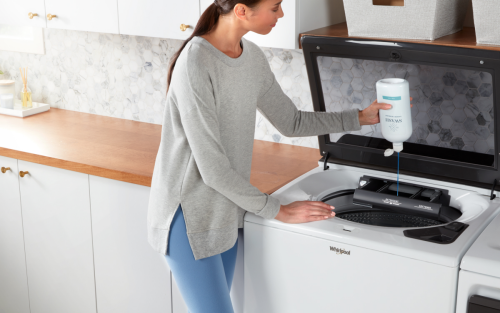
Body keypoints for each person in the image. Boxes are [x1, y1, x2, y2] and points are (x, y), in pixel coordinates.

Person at [146, 0, 401, 312]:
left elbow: (291, 121)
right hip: (189, 217)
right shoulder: (195, 62)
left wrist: (360, 117)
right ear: (241, 10)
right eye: (275, 6)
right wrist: (277, 210)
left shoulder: (250, 57)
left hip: (227, 209)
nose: (281, 14)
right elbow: (212, 169)